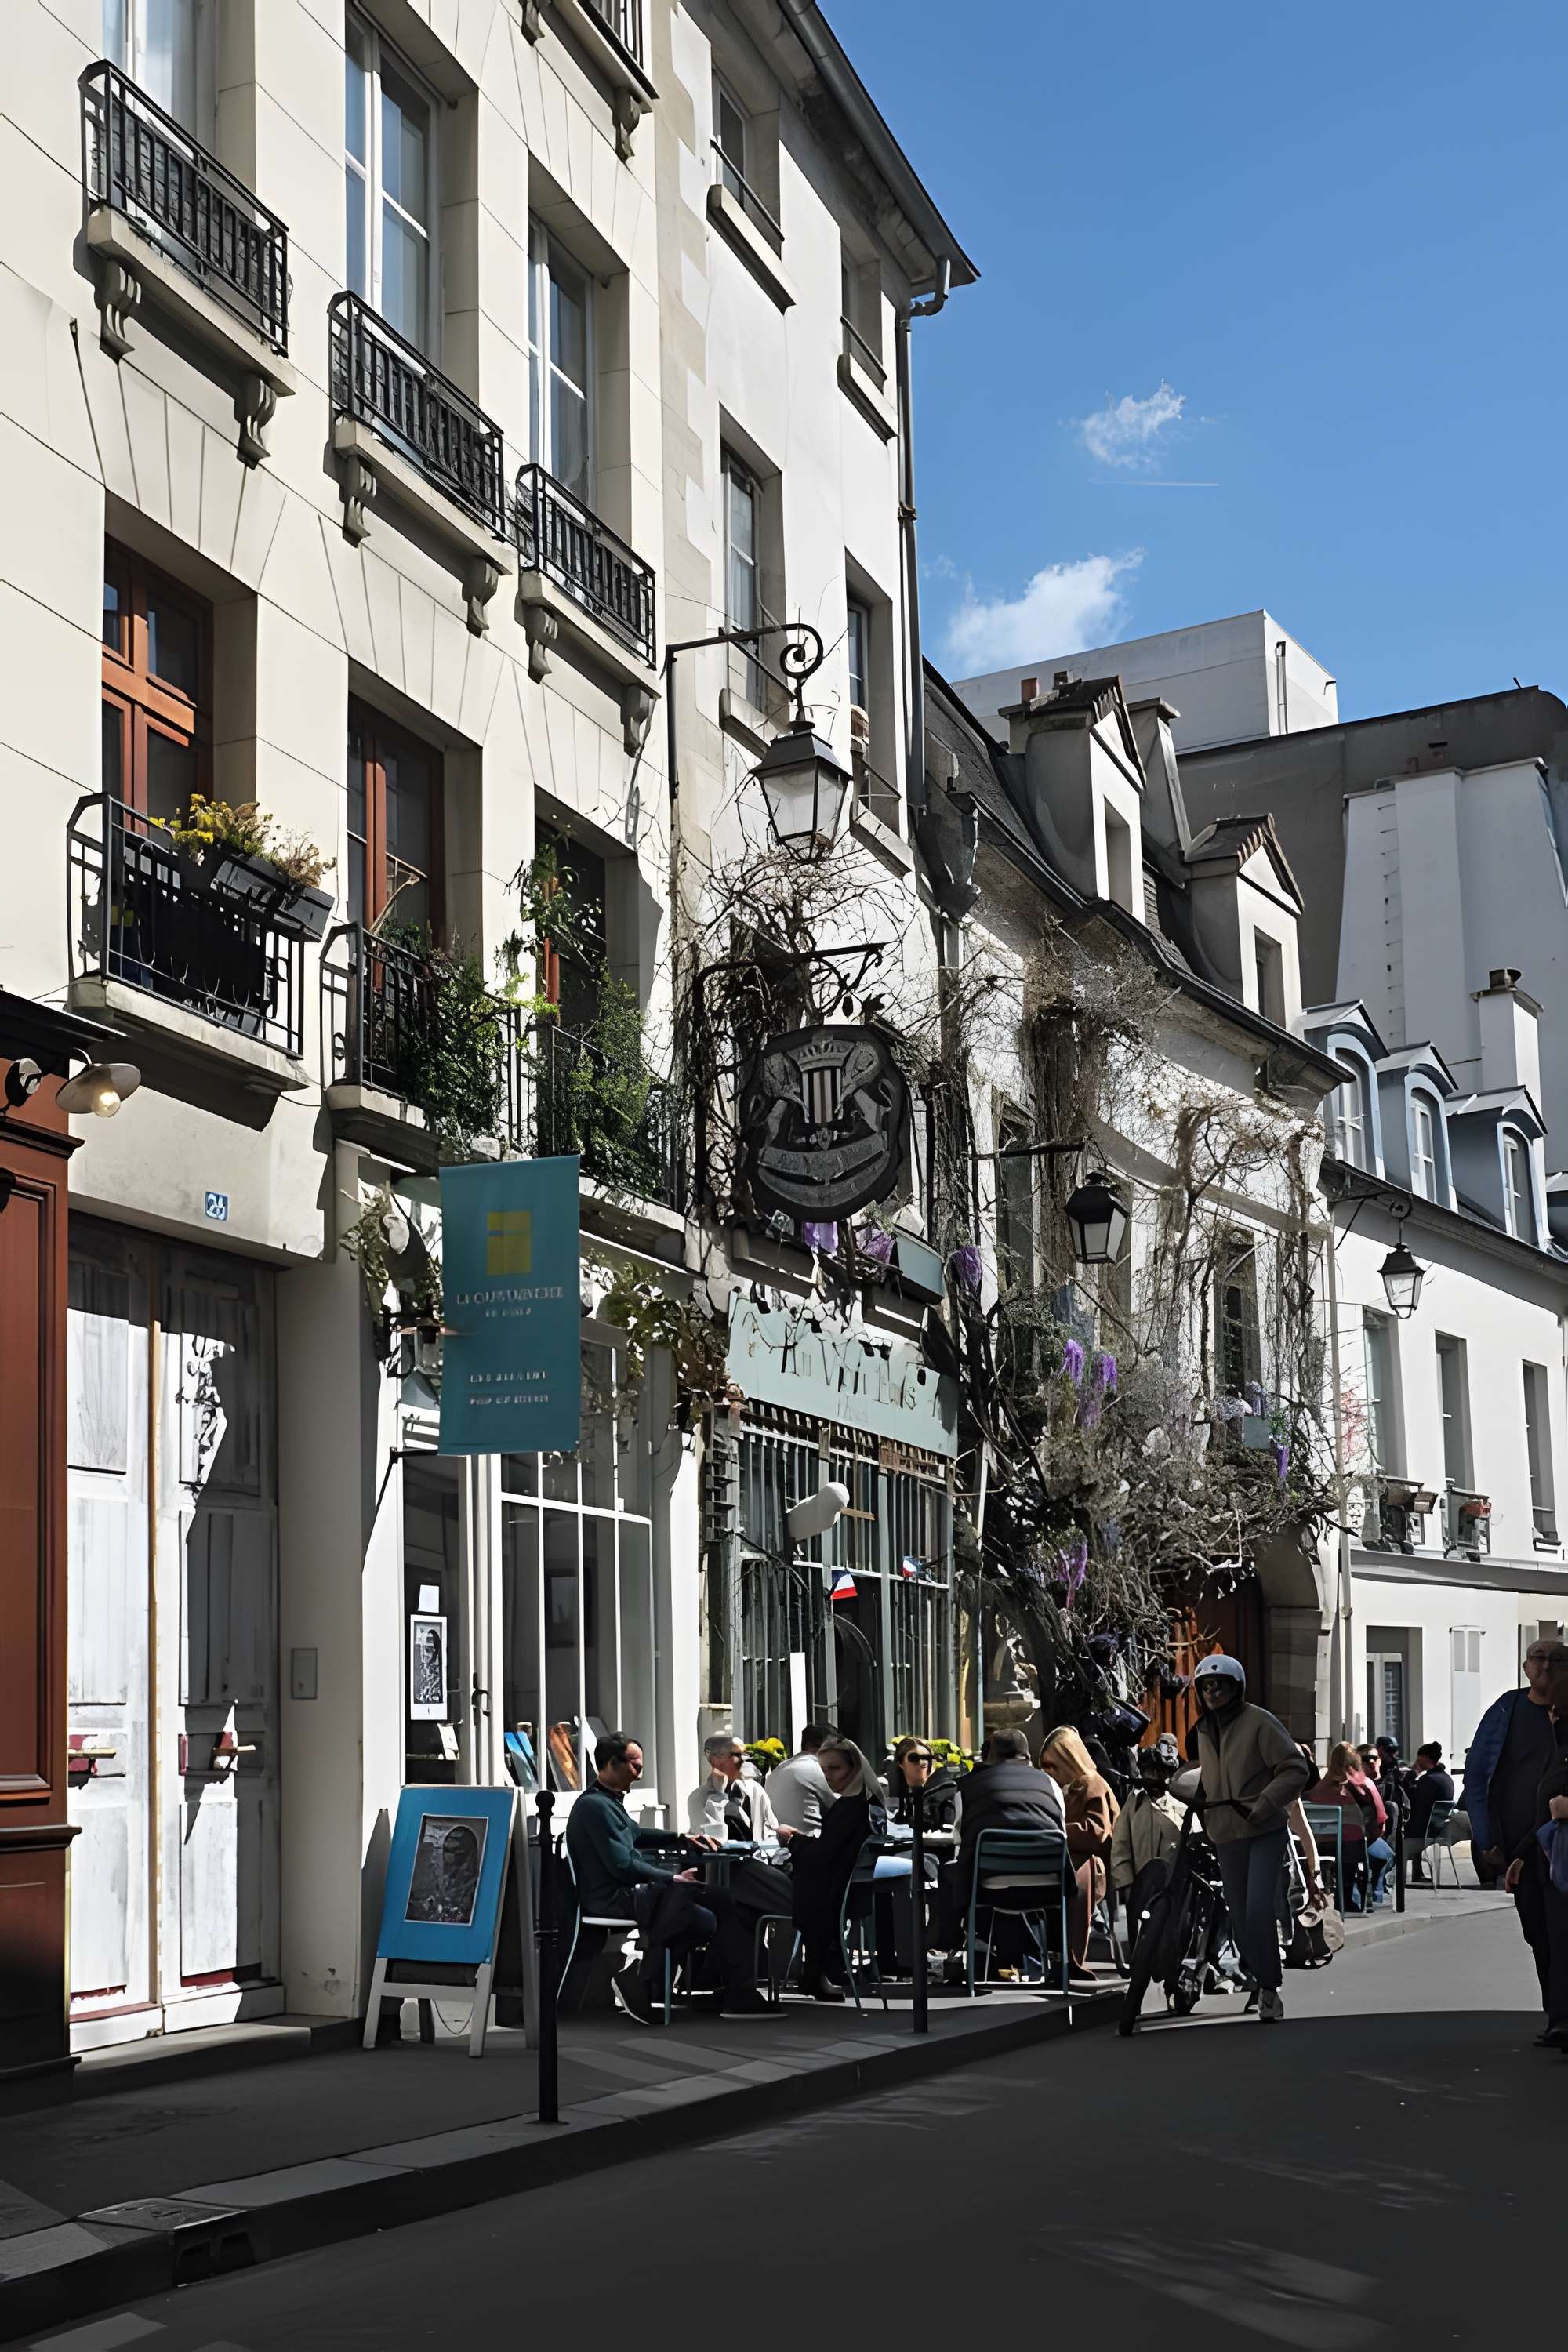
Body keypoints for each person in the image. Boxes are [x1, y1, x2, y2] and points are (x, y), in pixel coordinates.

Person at [564, 1730, 772, 2024]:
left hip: (628, 1893)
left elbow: (635, 1834)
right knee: (706, 1903)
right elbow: (623, 1866)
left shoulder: (606, 1801)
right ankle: (651, 1981)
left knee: (709, 1913)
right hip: (613, 1898)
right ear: (611, 1763)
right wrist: (671, 1879)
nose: (640, 1774)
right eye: (635, 1765)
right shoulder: (595, 1807)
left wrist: (680, 1838)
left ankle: (661, 1983)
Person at [1191, 1653, 1311, 2021]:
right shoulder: (1202, 1729)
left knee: (1258, 1909)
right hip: (1225, 1832)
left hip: (1262, 1828)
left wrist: (1265, 1803)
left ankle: (1271, 1988)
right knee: (1240, 1916)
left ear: (1237, 1687)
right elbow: (1205, 1774)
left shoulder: (1260, 1722)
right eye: (1207, 1687)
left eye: (1221, 1686)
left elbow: (1295, 1769)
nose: (1213, 1693)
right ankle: (1260, 1978)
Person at [938, 1727, 1068, 1974]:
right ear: (1028, 1756)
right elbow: (1061, 1832)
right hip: (1048, 1887)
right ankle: (1057, 1959)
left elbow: (958, 1839)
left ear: (989, 1757)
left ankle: (955, 1954)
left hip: (989, 1888)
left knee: (951, 1872)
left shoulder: (967, 1787)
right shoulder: (1050, 1785)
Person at [780, 1735, 887, 2000]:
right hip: (849, 1890)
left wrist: (793, 1840)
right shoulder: (868, 1802)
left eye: (835, 1768)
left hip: (829, 1891)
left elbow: (824, 1855)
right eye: (824, 1770)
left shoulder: (850, 1807)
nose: (828, 1776)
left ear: (854, 1768)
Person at [1464, 1641, 1568, 1906]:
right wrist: (1486, 1839)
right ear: (1525, 1667)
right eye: (1539, 1658)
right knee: (1535, 1925)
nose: (1547, 1666)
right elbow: (1477, 1776)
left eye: (1557, 1659)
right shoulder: (1507, 1708)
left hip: (1562, 1839)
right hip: (1519, 1845)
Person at [1502, 1650, 1568, 2045]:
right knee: (1546, 1939)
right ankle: (1558, 2018)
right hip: (1546, 1861)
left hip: (1558, 1866)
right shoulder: (1555, 1751)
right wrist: (1520, 1855)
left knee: (1560, 1942)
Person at [1040, 1724, 1120, 1979]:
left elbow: (1098, 1832)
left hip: (1090, 1861)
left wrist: (1057, 1831)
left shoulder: (1092, 1784)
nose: (1047, 1771)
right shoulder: (1068, 1786)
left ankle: (1071, 1956)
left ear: (1068, 1760)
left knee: (1078, 1881)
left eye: (1052, 1765)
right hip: (1064, 1857)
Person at [1110, 1740, 1185, 1948]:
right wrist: (1126, 1884)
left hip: (1175, 1888)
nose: (1154, 1777)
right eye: (1149, 1771)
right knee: (1142, 1944)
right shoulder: (1135, 1804)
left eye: (1160, 1772)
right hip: (1141, 1887)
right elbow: (1120, 1847)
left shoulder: (1180, 1803)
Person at [688, 1733, 780, 1844]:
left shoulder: (755, 1790)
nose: (744, 1761)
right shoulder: (698, 1799)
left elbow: (772, 1832)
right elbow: (713, 1842)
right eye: (737, 1755)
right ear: (716, 1760)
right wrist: (718, 1795)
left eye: (744, 1754)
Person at [767, 1723, 839, 1835]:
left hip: (779, 1838)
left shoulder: (780, 1767)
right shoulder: (814, 1768)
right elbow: (839, 1808)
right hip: (809, 1839)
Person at [890, 1736, 963, 1831]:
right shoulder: (904, 1789)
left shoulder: (943, 1788)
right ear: (901, 1763)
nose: (923, 1763)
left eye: (927, 1758)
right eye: (914, 1758)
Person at [1406, 1743, 1456, 1881]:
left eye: (1419, 1756)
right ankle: (1417, 1873)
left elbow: (1416, 1803)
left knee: (1399, 1832)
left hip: (1426, 1830)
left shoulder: (1428, 1780)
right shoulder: (1446, 1778)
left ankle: (1398, 1878)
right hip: (1439, 1827)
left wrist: (1412, 1775)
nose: (1417, 1760)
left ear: (1426, 1758)